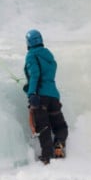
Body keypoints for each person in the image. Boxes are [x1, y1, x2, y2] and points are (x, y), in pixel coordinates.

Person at [23, 29, 69, 164]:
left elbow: (35, 75)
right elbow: (47, 76)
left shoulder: (31, 55)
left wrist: (31, 92)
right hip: (53, 96)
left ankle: (47, 156)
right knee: (60, 126)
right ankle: (59, 144)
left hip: (40, 96)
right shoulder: (49, 56)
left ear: (28, 43)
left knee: (43, 126)